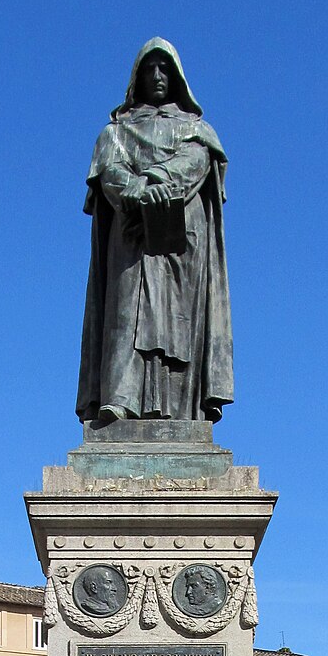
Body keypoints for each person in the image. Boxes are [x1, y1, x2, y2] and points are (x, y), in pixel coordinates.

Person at [76, 37, 233, 425]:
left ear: (177, 77)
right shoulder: (115, 132)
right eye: (150, 69)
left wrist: (159, 179)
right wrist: (137, 191)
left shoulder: (197, 129)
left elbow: (197, 162)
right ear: (138, 77)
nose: (158, 76)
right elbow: (109, 171)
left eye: (165, 69)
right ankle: (119, 398)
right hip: (131, 231)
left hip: (181, 240)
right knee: (126, 313)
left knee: (177, 323)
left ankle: (182, 410)